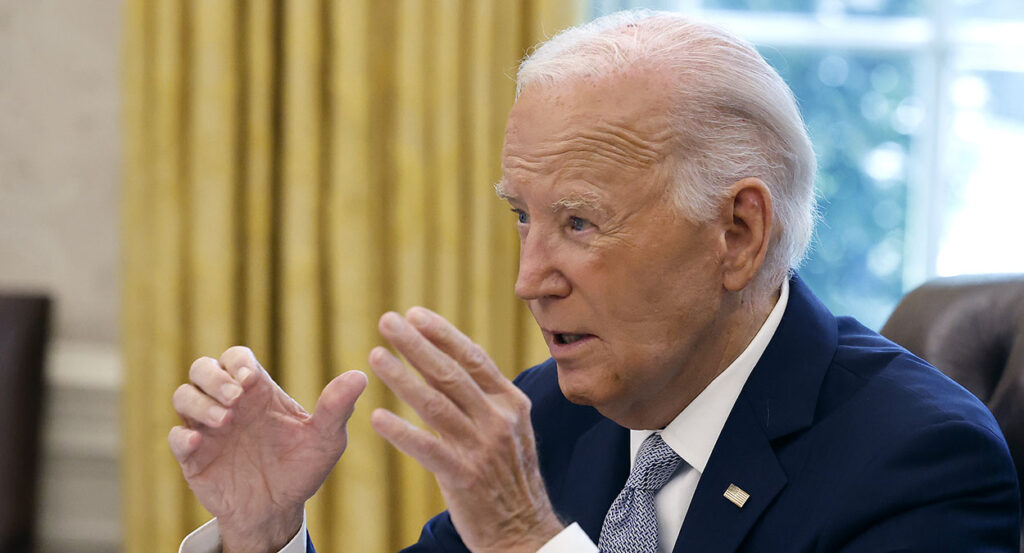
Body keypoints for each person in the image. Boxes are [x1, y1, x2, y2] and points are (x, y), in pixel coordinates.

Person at [172, 10, 1021, 553]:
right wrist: (263, 533)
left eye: (578, 223)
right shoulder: (550, 416)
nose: (528, 279)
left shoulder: (918, 459)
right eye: (522, 217)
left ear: (737, 233)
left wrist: (523, 542)